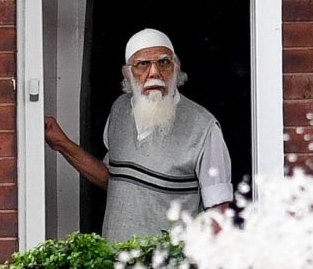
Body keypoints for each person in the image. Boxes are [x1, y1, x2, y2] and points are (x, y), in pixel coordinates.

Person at [44, 28, 236, 240]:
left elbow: (218, 211)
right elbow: (115, 181)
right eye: (143, 64)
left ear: (176, 68)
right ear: (127, 74)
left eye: (163, 62)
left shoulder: (203, 127)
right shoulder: (119, 110)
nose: (154, 72)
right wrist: (61, 143)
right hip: (116, 263)